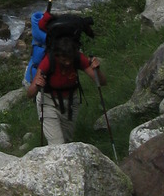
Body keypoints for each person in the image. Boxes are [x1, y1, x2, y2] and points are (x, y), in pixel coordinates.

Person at [26, 10, 105, 146]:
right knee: (57, 145)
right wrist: (37, 85)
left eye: (69, 59)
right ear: (57, 55)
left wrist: (97, 69)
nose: (67, 63)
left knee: (68, 143)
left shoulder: (78, 58)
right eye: (64, 59)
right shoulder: (48, 61)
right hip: (48, 102)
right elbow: (30, 93)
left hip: (71, 103)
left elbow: (101, 82)